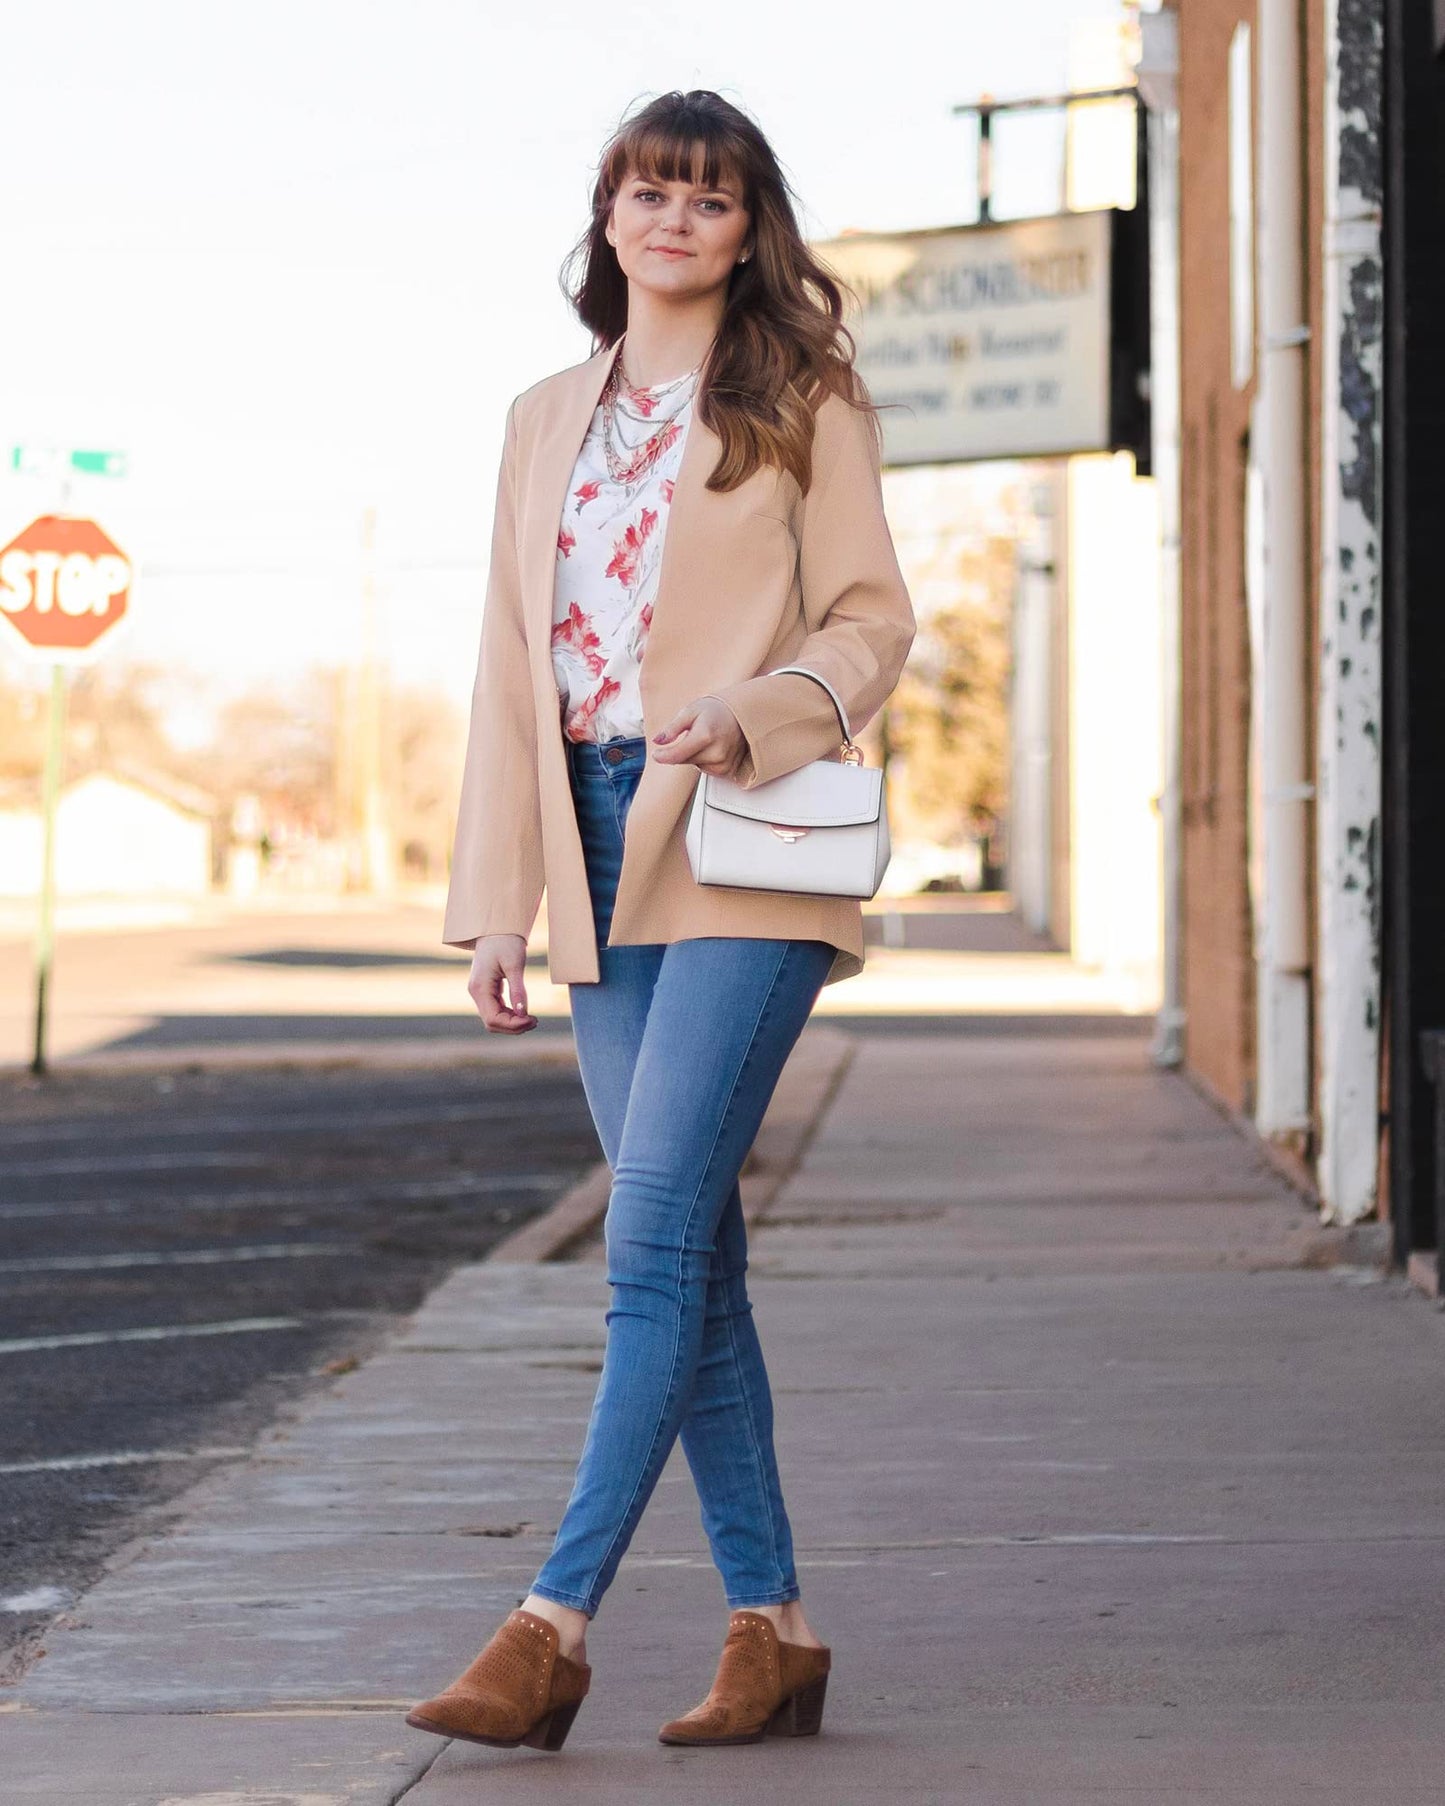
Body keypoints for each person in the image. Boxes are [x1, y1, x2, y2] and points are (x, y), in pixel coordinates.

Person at [405, 88, 915, 1756]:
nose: (672, 219)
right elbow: (506, 669)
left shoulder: (801, 394)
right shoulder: (540, 413)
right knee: (691, 1248)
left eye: (707, 197)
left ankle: (549, 1626)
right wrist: (499, 901)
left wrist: (760, 706)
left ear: (748, 225)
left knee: (649, 1243)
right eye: (646, 191)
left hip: (746, 835)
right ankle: (771, 1626)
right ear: (605, 215)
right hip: (595, 836)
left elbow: (869, 617)